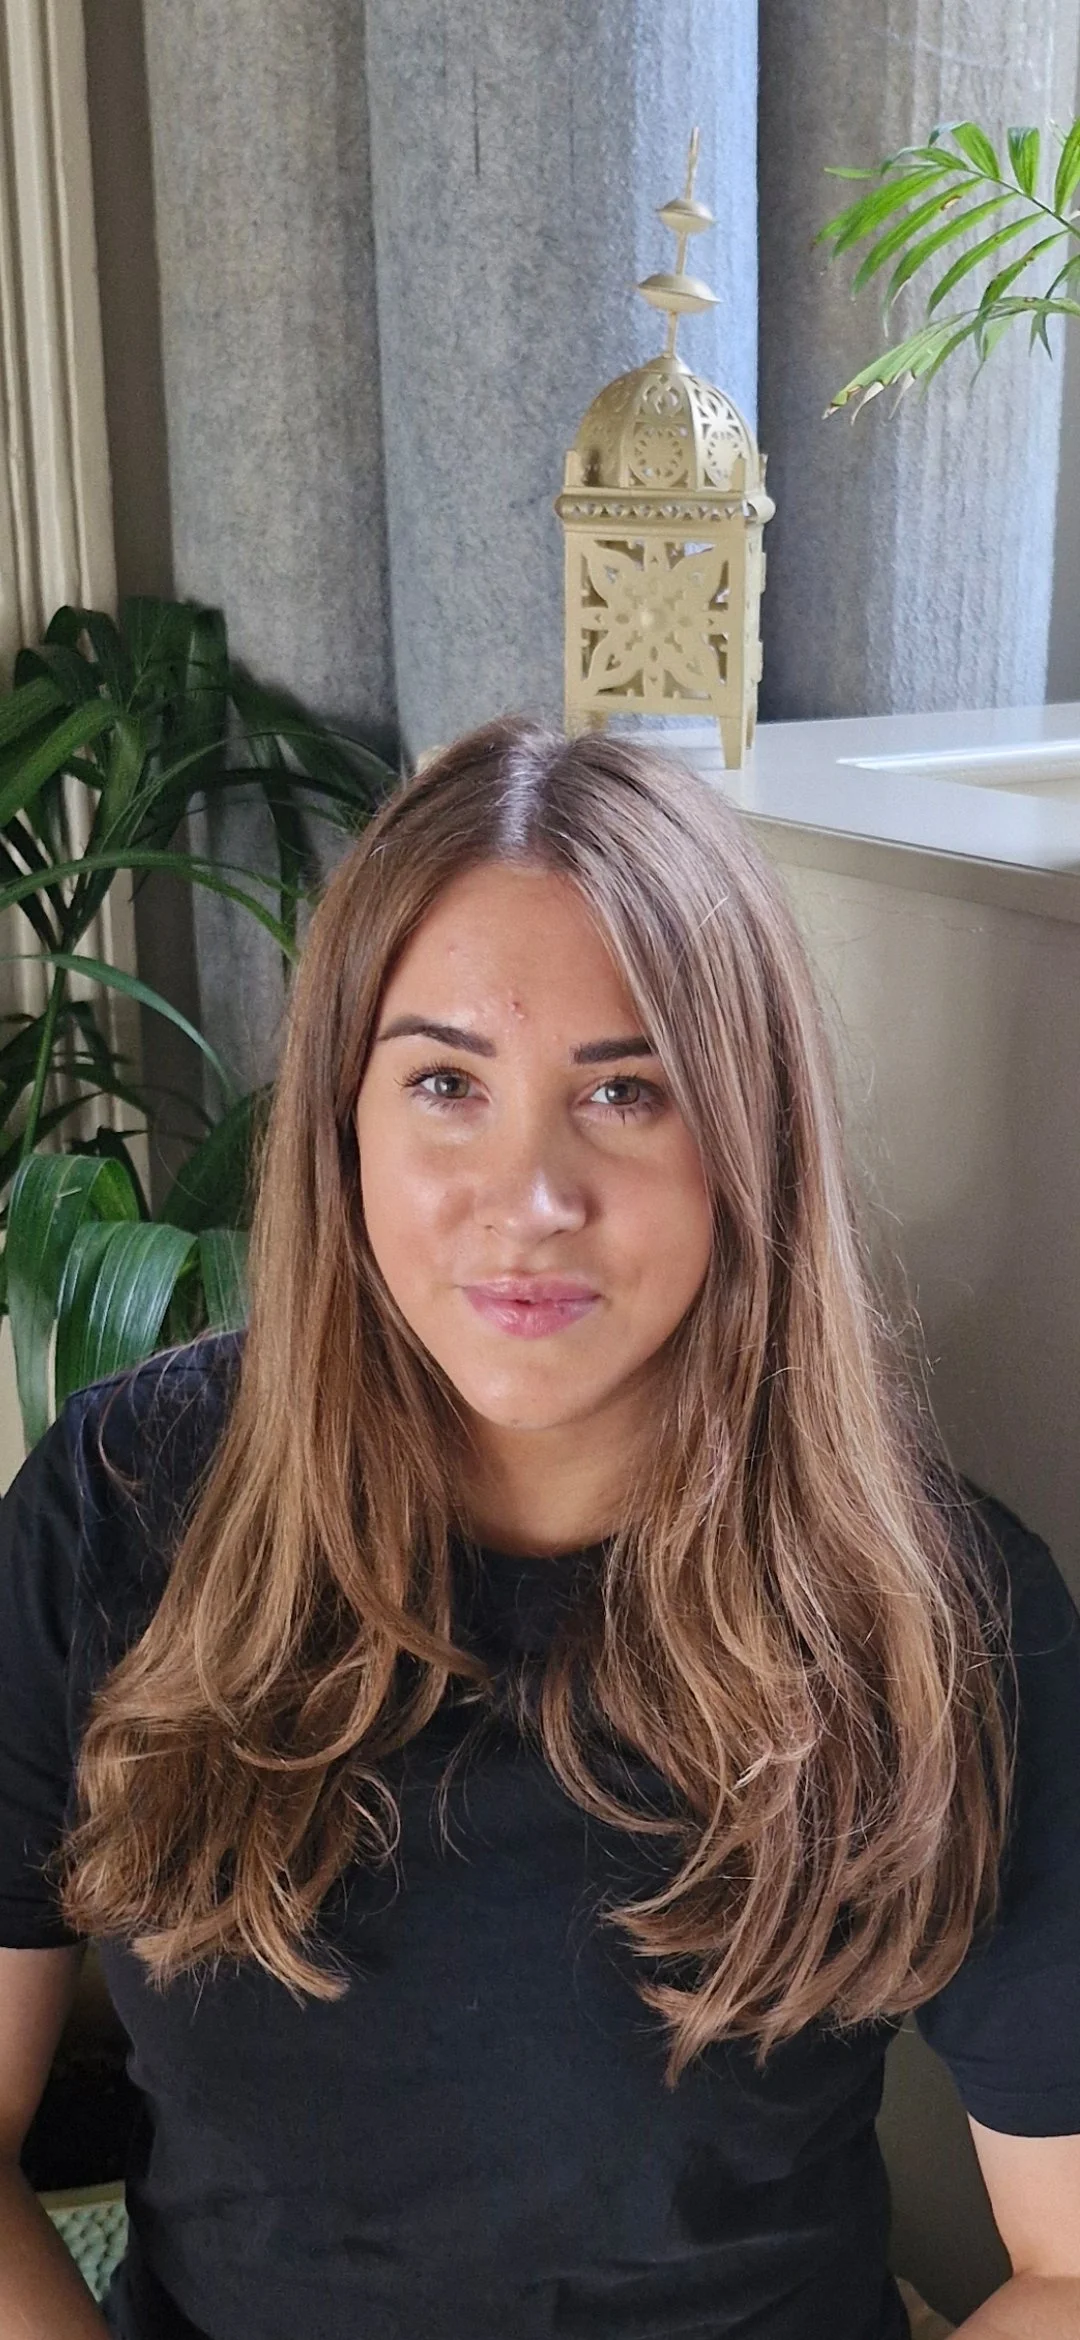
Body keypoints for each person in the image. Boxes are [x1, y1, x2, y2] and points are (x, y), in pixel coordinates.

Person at [0, 717, 1077, 2340]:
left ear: (749, 1140)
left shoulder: (941, 1611)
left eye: (626, 1093)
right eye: (445, 1081)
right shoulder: (122, 1503)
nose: (531, 1197)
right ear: (342, 1124)